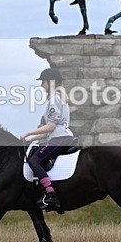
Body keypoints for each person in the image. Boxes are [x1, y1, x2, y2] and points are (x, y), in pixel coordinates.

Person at [20, 68, 73, 210]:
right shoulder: (57, 98)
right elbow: (48, 132)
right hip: (59, 136)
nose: (41, 85)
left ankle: (51, 195)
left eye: (43, 82)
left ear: (51, 82)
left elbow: (50, 127)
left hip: (60, 138)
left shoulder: (54, 99)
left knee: (34, 161)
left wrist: (28, 133)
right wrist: (30, 139)